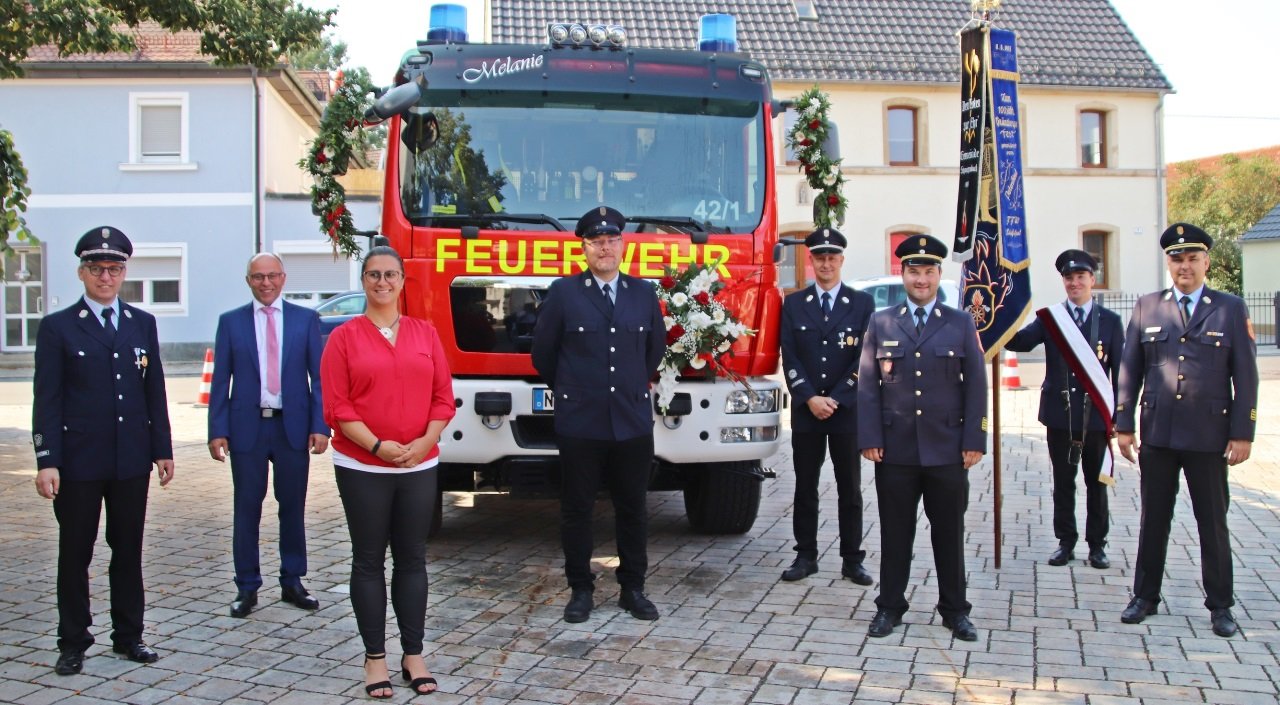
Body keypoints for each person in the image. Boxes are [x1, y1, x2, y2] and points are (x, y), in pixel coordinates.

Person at [32, 226, 174, 675]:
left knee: (127, 549)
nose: (106, 277)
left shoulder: (141, 324)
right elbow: (47, 398)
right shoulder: (58, 328)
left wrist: (162, 449)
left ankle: (129, 635)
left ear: (124, 272)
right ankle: (73, 640)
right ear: (82, 272)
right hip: (78, 462)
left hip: (130, 459)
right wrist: (46, 459)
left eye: (114, 269)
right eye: (97, 269)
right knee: (76, 552)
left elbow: (155, 391)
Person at [320, 246, 455, 697]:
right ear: (363, 280)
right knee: (369, 560)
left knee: (413, 558)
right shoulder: (343, 338)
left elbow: (442, 397)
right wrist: (378, 445)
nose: (382, 282)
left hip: (419, 462)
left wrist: (423, 443)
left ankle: (413, 653)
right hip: (362, 464)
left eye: (391, 275)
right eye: (374, 274)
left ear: (402, 281)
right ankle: (374, 657)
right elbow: (337, 406)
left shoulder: (425, 333)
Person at [1115, 223, 1258, 638]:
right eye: (1177, 259)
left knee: (1212, 521)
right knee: (1153, 519)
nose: (1185, 266)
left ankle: (1220, 605)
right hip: (1158, 434)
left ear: (1206, 262)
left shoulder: (1229, 308)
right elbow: (1130, 369)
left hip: (1208, 437)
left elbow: (1246, 376)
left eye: (1193, 258)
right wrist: (1124, 425)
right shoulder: (1148, 307)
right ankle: (1145, 596)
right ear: (1168, 264)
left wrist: (1242, 432)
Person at [531, 206, 666, 624]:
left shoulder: (643, 293)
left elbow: (654, 350)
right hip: (581, 421)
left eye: (611, 241)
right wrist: (576, 390)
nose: (604, 248)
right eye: (596, 242)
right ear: (584, 248)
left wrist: (627, 385)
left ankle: (633, 588)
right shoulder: (565, 293)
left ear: (622, 245)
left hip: (630, 420)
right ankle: (581, 590)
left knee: (633, 508)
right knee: (577, 508)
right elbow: (543, 355)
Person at [858, 234, 987, 642]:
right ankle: (889, 607)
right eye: (914, 271)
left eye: (929, 271)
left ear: (938, 274)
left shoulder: (960, 322)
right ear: (903, 274)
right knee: (895, 533)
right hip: (895, 449)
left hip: (947, 448)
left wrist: (974, 440)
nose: (921, 279)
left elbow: (976, 386)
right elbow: (867, 385)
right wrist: (870, 437)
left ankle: (955, 610)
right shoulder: (881, 321)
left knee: (948, 532)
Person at [207, 253, 329, 619]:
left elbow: (319, 378)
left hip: (292, 427)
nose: (266, 283)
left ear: (283, 278)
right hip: (248, 428)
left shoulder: (305, 320)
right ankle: (246, 586)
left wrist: (320, 425)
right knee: (247, 508)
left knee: (292, 506)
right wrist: (217, 429)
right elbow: (220, 381)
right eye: (258, 277)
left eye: (272, 276)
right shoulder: (230, 323)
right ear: (248, 281)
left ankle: (293, 580)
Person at [1005, 249, 1123, 569]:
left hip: (1096, 416)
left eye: (1080, 277)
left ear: (1092, 280)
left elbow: (1120, 372)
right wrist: (994, 322)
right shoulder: (1051, 319)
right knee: (1063, 481)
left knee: (1096, 483)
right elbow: (1020, 342)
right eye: (1068, 278)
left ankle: (1097, 545)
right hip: (1061, 413)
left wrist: (1121, 417)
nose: (1074, 283)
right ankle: (1065, 541)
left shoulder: (1111, 322)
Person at [777, 228, 875, 586]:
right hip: (807, 411)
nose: (826, 264)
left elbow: (864, 358)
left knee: (849, 489)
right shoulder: (794, 303)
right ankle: (806, 556)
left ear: (841, 261)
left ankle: (852, 559)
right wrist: (810, 398)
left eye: (832, 258)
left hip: (846, 411)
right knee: (806, 486)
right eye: (820, 257)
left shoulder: (862, 304)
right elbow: (789, 355)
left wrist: (836, 398)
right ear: (812, 261)